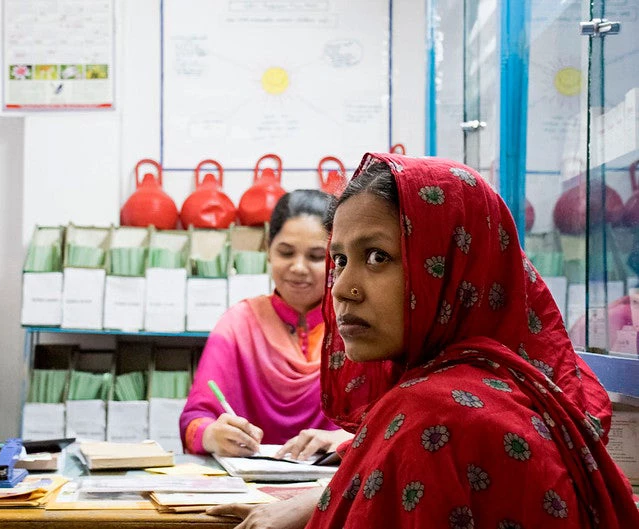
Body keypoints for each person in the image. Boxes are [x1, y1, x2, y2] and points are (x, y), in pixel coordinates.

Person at [208, 153, 639, 528]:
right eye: (340, 259)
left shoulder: (431, 413)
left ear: (453, 265)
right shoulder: (521, 387)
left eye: (378, 257)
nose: (340, 287)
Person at [179, 189, 354, 457]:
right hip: (246, 486)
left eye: (317, 256)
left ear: (337, 258)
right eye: (286, 253)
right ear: (268, 251)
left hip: (334, 487)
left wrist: (343, 439)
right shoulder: (239, 324)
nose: (298, 267)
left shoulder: (354, 326)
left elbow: (387, 421)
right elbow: (194, 421)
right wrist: (213, 435)